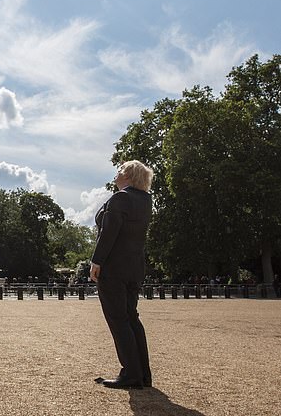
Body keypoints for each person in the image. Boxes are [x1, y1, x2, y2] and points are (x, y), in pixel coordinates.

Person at [90, 160, 153, 390]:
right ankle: (143, 373)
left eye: (120, 170)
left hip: (114, 268)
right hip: (134, 268)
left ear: (127, 174)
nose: (116, 174)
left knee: (118, 320)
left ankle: (131, 374)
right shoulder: (146, 200)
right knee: (131, 318)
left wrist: (96, 260)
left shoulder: (120, 198)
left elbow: (109, 232)